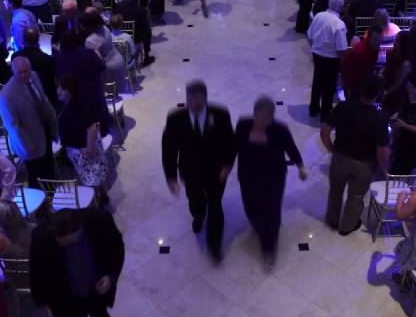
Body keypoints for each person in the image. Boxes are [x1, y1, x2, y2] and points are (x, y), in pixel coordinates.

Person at [162, 81, 236, 261]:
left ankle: (214, 245)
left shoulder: (220, 114)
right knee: (195, 201)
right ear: (186, 99)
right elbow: (169, 149)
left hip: (216, 171)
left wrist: (227, 165)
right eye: (191, 99)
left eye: (198, 99)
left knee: (215, 205)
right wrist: (171, 177)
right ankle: (198, 215)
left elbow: (230, 142)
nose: (194, 103)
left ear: (205, 98)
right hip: (190, 171)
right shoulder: (175, 119)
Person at [231, 96, 306, 267]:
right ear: (253, 114)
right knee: (250, 205)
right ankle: (257, 225)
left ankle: (269, 248)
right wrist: (226, 167)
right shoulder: (243, 125)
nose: (260, 121)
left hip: (273, 178)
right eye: (258, 116)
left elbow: (291, 149)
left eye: (265, 118)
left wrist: (301, 166)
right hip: (248, 176)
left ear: (272, 117)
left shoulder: (280, 130)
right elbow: (234, 147)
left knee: (271, 211)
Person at [321, 75, 390, 235]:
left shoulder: (343, 107)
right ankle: (346, 227)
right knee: (356, 197)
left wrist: (330, 147)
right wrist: (384, 168)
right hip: (364, 165)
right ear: (378, 94)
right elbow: (382, 151)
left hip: (339, 157)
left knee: (335, 190)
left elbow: (325, 129)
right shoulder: (380, 119)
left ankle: (332, 219)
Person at [55, 74, 116, 207]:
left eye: (61, 88)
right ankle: (100, 196)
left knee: (91, 177)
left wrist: (89, 148)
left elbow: (92, 128)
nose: (58, 91)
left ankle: (96, 202)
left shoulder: (77, 105)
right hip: (80, 147)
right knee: (94, 175)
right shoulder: (70, 103)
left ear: (70, 90)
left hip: (84, 148)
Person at [0, 56, 58, 185]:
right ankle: (43, 201)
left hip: (44, 130)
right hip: (29, 142)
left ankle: (52, 192)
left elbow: (43, 100)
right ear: (13, 72)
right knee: (36, 177)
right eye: (20, 72)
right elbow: (13, 127)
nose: (24, 75)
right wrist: (28, 148)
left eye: (26, 71)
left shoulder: (34, 76)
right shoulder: (6, 96)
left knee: (49, 166)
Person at [307, 0, 349, 121]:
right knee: (329, 85)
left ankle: (313, 108)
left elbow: (310, 35)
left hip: (317, 55)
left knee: (317, 81)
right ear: (341, 7)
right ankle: (325, 112)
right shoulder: (339, 24)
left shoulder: (318, 16)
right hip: (331, 59)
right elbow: (341, 49)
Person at [390, 71, 416, 175]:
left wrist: (404, 125)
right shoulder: (410, 93)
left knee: (401, 169)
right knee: (396, 161)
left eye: (412, 85)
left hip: (415, 143)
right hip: (405, 136)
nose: (408, 85)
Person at [341, 18, 386, 103]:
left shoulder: (374, 48)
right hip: (353, 87)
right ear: (368, 38)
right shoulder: (359, 52)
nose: (378, 43)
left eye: (380, 41)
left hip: (362, 85)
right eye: (376, 40)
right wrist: (349, 89)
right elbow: (344, 68)